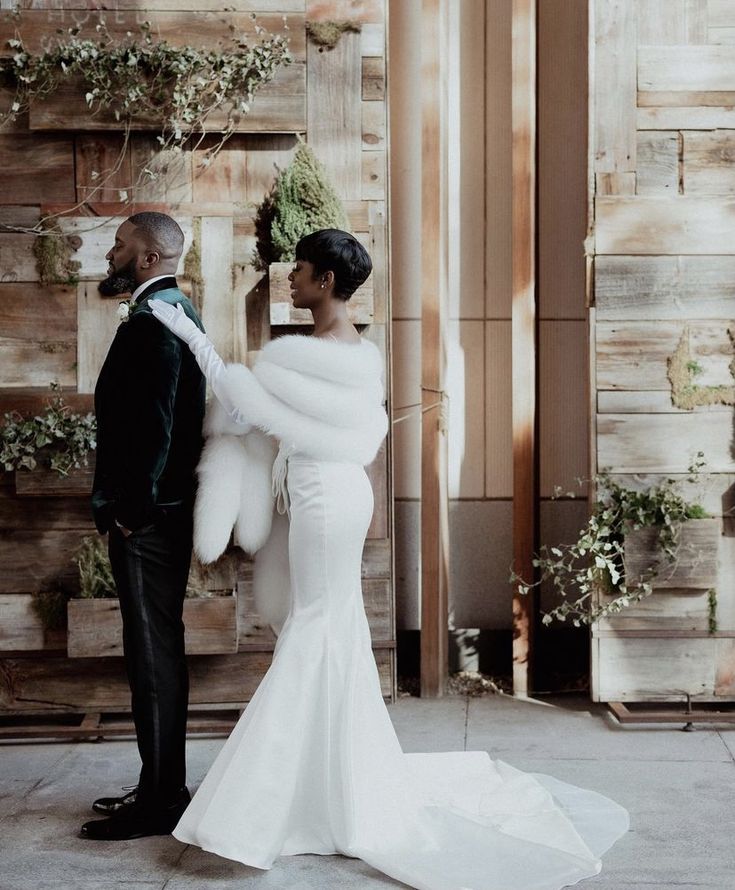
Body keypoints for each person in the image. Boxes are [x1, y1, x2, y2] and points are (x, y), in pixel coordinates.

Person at [150, 228, 629, 889]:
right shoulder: (352, 353)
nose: (289, 280)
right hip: (335, 494)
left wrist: (193, 340)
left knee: (315, 629)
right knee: (327, 628)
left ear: (325, 283)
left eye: (300, 272)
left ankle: (256, 811)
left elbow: (244, 406)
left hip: (323, 498)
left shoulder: (313, 355)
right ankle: (328, 789)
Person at [81, 212, 206, 841]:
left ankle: (161, 802)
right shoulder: (172, 312)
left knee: (152, 657)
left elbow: (156, 429)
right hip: (161, 515)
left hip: (149, 520)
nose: (112, 250)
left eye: (121, 243)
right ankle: (162, 784)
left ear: (150, 255)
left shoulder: (155, 324)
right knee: (155, 652)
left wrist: (131, 512)